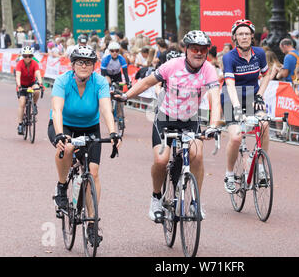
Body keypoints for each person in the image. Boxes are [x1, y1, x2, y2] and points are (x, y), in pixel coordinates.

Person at [114, 30, 221, 221]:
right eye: (194, 49)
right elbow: (147, 82)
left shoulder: (209, 69)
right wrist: (126, 96)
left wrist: (213, 125)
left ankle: (195, 202)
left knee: (197, 155)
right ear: (186, 50)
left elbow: (215, 99)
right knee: (162, 160)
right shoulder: (172, 65)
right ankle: (156, 197)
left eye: (203, 50)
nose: (199, 53)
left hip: (190, 119)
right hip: (166, 118)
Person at [49, 45, 121, 246]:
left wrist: (113, 132)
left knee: (93, 173)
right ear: (72, 64)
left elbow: (106, 108)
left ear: (93, 66)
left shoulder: (99, 82)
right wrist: (60, 134)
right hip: (64, 126)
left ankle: (92, 223)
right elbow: (57, 109)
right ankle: (62, 187)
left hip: (90, 128)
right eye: (80, 62)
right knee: (68, 148)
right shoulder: (63, 81)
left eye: (88, 62)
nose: (84, 65)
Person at [221, 19, 271, 193]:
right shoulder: (229, 57)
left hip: (251, 95)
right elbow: (229, 84)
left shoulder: (259, 53)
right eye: (240, 34)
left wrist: (259, 95)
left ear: (252, 36)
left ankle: (260, 165)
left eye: (247, 34)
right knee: (235, 137)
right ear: (235, 37)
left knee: (264, 124)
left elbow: (266, 75)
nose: (244, 37)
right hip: (230, 96)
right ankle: (229, 174)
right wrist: (235, 107)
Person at [15, 46, 43, 135]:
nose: (27, 58)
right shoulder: (19, 63)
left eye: (30, 56)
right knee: (22, 103)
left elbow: (38, 74)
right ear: (23, 56)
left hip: (31, 83)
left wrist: (41, 83)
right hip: (22, 85)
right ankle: (20, 124)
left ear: (32, 56)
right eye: (25, 56)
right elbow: (18, 75)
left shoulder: (34, 63)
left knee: (37, 90)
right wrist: (19, 85)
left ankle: (34, 104)